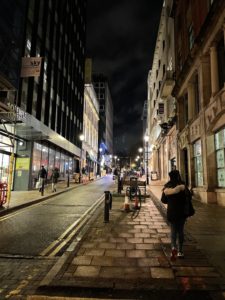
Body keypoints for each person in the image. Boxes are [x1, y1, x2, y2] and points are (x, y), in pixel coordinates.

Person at [161, 170, 186, 260]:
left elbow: (163, 200)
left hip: (172, 212)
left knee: (173, 231)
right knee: (181, 231)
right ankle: (180, 251)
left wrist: (170, 200)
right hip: (182, 212)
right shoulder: (183, 186)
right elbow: (188, 197)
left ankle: (173, 247)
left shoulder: (167, 187)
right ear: (178, 176)